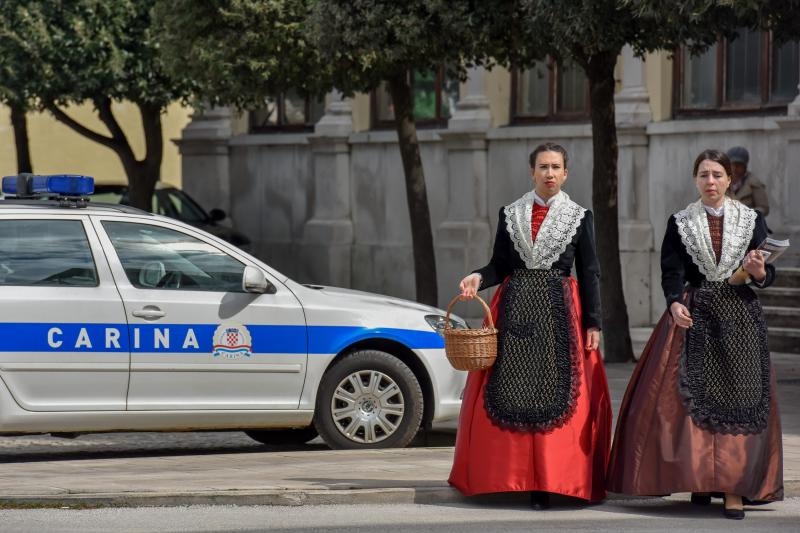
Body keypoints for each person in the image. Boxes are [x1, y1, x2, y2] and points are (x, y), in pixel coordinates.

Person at [607, 149, 783, 520]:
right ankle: (703, 480)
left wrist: (757, 270)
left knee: (738, 402)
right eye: (703, 175)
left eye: (717, 175)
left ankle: (733, 490)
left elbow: (768, 276)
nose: (711, 182)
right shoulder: (680, 222)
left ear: (730, 180)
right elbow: (670, 272)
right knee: (692, 403)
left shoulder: (752, 220)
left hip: (739, 317)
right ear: (694, 179)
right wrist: (673, 303)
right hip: (696, 313)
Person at [448, 142, 612, 508]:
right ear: (531, 171)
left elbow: (590, 273)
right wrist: (477, 276)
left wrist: (594, 323)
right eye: (543, 167)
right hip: (516, 311)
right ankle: (513, 476)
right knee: (512, 390)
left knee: (555, 393)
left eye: (556, 167)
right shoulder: (511, 213)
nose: (549, 173)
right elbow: (499, 265)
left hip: (560, 315)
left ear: (566, 173)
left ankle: (551, 480)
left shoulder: (579, 216)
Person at [726, 146, 770, 217]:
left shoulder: (754, 183)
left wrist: (748, 214)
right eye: (732, 164)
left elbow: (764, 208)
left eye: (739, 165)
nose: (735, 168)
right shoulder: (722, 182)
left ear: (745, 166)